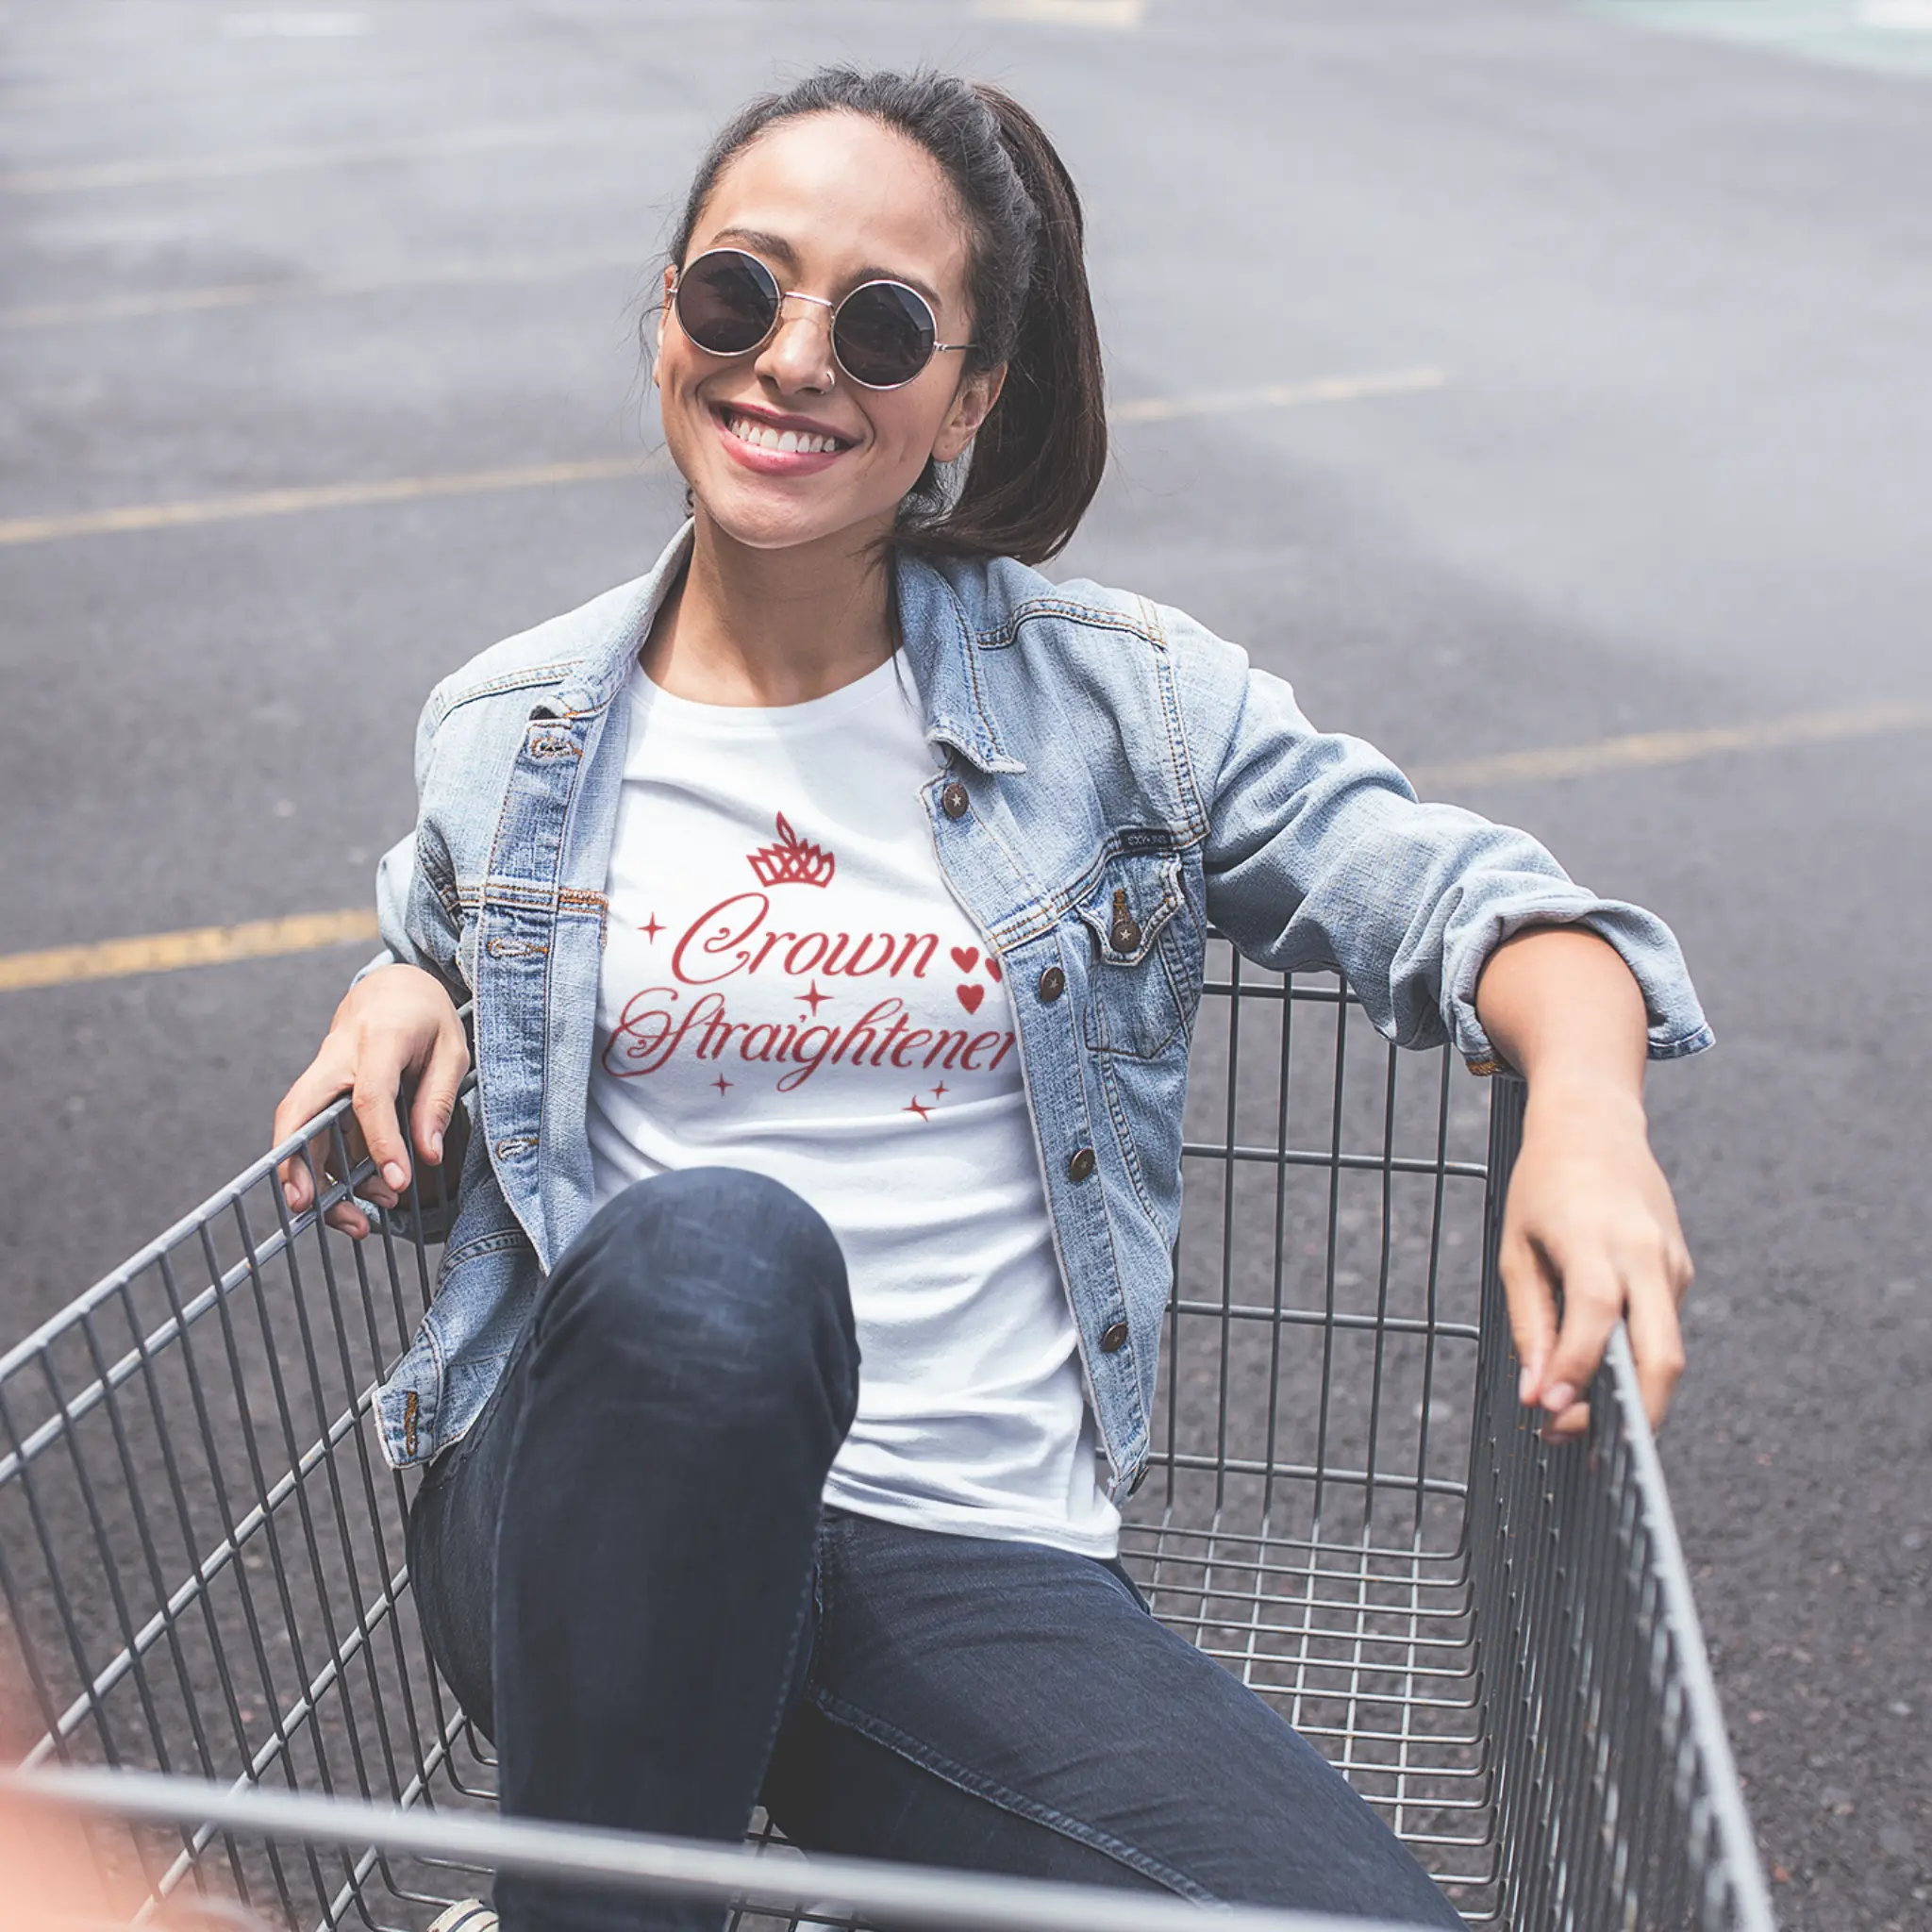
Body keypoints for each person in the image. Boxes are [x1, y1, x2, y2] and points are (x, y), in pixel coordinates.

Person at [274, 67, 1708, 1932]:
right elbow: (441, 947)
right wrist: (402, 975)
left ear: (966, 402)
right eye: (738, 289)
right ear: (668, 315)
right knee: (721, 1256)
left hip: (955, 1558)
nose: (791, 360)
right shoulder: (509, 726)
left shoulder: (1120, 705)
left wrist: (1584, 1113)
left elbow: (1484, 903)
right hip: (581, 1503)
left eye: (880, 326)